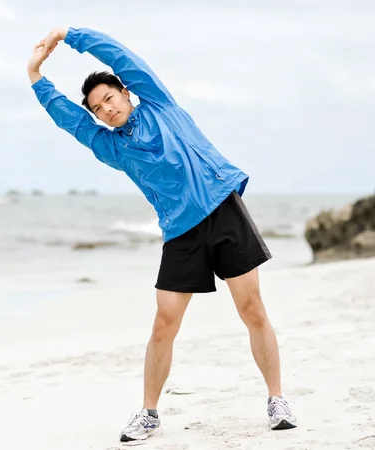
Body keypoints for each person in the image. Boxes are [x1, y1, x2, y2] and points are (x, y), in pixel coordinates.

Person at [27, 26, 297, 443]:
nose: (106, 109)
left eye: (109, 98)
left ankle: (277, 400)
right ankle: (149, 413)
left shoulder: (160, 104)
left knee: (253, 310)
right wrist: (36, 77)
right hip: (181, 232)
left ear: (126, 93)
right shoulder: (114, 148)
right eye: (98, 109)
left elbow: (122, 57)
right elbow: (71, 123)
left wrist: (70, 35)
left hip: (223, 212)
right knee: (163, 324)